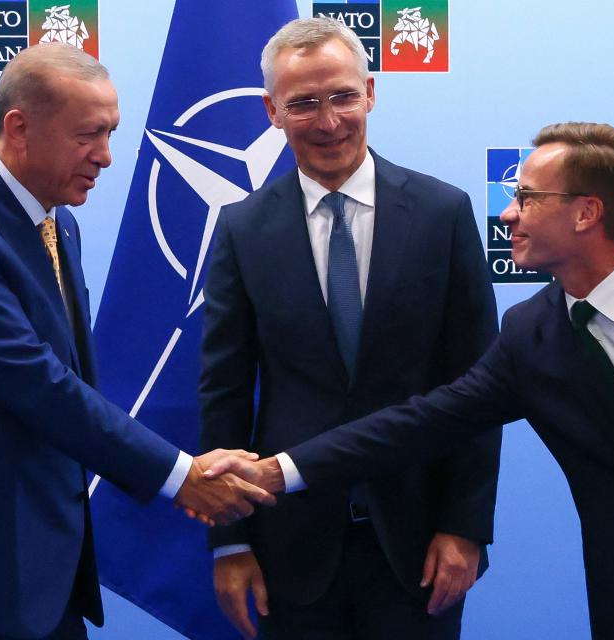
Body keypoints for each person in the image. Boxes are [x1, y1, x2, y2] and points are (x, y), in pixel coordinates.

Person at [208, 122, 614, 640]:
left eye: (527, 198)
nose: (507, 214)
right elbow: (420, 422)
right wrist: (276, 472)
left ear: (586, 213)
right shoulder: (530, 334)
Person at [0, 43, 273, 640]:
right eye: (89, 135)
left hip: (36, 575)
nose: (108, 157)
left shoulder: (57, 222)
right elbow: (35, 381)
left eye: (112, 133)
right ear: (20, 127)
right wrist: (179, 474)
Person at [198, 17, 501, 640]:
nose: (329, 121)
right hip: (289, 549)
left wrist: (466, 526)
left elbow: (480, 388)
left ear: (371, 92)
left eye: (341, 96)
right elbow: (223, 394)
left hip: (420, 546)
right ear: (271, 112)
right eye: (303, 103)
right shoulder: (241, 229)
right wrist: (228, 544)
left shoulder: (444, 214)